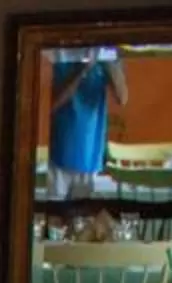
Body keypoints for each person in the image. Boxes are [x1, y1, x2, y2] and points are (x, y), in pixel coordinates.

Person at [45, 46, 128, 200]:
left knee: (83, 220)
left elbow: (122, 97)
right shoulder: (57, 50)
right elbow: (50, 104)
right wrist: (82, 68)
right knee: (54, 219)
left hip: (91, 154)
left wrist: (107, 60)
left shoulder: (108, 51)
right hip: (57, 154)